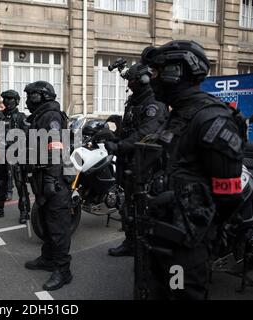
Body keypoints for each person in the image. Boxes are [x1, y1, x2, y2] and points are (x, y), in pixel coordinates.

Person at [139, 40, 244, 299]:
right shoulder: (180, 113)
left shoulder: (211, 118)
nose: (151, 79)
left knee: (179, 294)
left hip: (187, 240)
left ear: (176, 71)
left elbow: (229, 194)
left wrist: (197, 220)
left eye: (157, 72)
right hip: (164, 231)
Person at [105, 63, 168, 257]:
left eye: (131, 80)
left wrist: (120, 146)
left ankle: (146, 245)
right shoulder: (134, 101)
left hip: (145, 163)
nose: (129, 84)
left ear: (143, 80)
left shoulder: (153, 103)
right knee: (127, 205)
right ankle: (131, 242)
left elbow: (146, 132)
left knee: (142, 206)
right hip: (129, 161)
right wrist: (113, 137)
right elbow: (129, 129)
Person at [23, 81, 72, 291]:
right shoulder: (41, 115)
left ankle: (63, 270)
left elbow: (55, 147)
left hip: (55, 179)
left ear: (41, 96)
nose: (27, 100)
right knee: (45, 220)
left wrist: (51, 178)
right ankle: (48, 258)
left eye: (31, 95)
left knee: (57, 226)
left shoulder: (51, 115)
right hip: (43, 178)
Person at [0, 90, 31, 224]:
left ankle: (24, 211)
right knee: (1, 184)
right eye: (5, 99)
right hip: (1, 155)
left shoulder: (21, 117)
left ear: (16, 101)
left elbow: (28, 136)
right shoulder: (0, 117)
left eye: (10, 99)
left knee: (20, 185)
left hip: (16, 156)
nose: (7, 101)